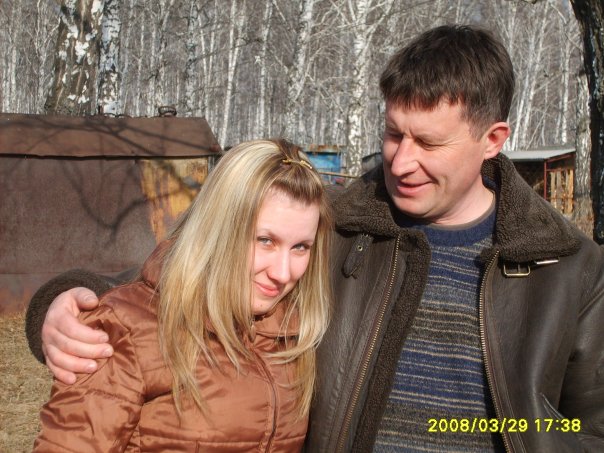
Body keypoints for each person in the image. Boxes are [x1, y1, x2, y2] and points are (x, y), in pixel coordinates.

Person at [26, 25, 604, 452]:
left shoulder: (569, 268)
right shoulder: (332, 225)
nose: (401, 161)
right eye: (393, 134)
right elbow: (178, 276)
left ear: (493, 139)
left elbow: (587, 425)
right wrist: (63, 302)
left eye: (429, 143)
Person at [31, 139, 333, 452]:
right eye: (265, 240)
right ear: (218, 228)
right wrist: (63, 301)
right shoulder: (127, 331)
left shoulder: (292, 333)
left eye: (301, 247)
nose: (283, 273)